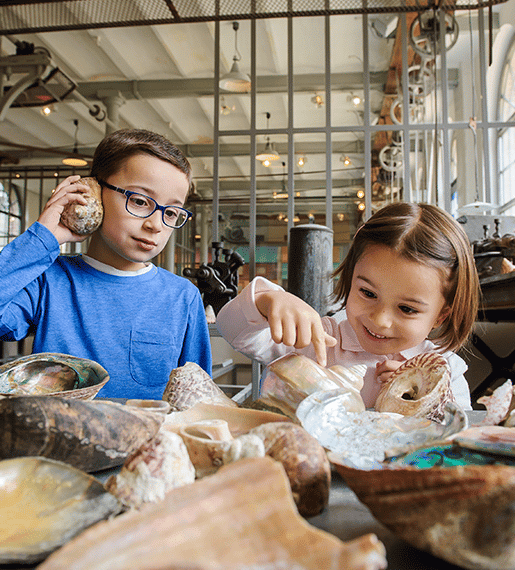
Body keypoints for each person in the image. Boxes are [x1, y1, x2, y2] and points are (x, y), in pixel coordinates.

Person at [0, 129, 211, 399]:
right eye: (139, 201)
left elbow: (199, 400)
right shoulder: (49, 281)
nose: (156, 225)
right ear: (94, 192)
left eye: (170, 212)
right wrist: (43, 239)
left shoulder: (183, 297)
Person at [216, 202, 479, 409]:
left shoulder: (445, 370)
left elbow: (458, 436)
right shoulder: (318, 340)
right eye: (368, 293)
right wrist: (266, 300)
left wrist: (424, 398)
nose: (380, 320)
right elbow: (231, 330)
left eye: (407, 309)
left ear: (440, 316)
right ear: (351, 278)